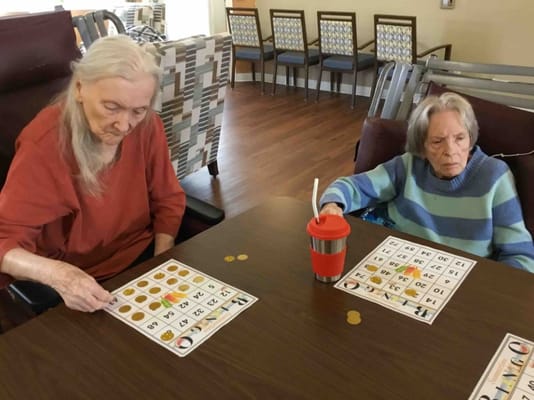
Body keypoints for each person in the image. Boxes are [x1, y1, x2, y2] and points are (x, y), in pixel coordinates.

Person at [0, 35, 186, 312]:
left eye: (138, 110)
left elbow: (167, 197)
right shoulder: (44, 143)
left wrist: (161, 265)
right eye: (111, 107)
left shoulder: (148, 126)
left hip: (140, 255)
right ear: (79, 89)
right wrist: (61, 277)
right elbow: (4, 242)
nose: (124, 126)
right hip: (79, 281)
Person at [320, 92, 534, 272]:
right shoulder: (409, 164)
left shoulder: (495, 176)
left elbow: (520, 255)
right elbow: (352, 187)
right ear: (421, 146)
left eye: (460, 138)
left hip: (461, 278)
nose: (451, 151)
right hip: (398, 263)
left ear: (471, 137)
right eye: (437, 141)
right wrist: (332, 205)